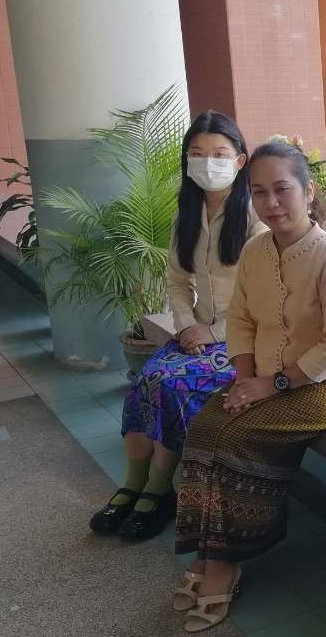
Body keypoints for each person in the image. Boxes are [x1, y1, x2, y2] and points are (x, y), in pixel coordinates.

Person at [170, 141, 326, 633]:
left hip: (321, 387)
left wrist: (274, 383)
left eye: (282, 189)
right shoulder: (254, 250)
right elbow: (242, 319)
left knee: (235, 438)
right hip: (262, 378)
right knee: (204, 429)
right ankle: (208, 552)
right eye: (259, 192)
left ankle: (226, 564)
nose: (271, 202)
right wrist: (247, 378)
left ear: (308, 191)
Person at [90, 111, 265, 541]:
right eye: (198, 154)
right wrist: (187, 325)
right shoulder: (186, 213)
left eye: (220, 154)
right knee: (145, 381)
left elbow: (263, 297)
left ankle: (158, 488)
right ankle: (132, 483)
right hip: (196, 335)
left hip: (245, 342)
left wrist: (215, 332)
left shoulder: (255, 217)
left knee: (173, 386)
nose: (208, 163)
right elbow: (176, 280)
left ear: (240, 160)